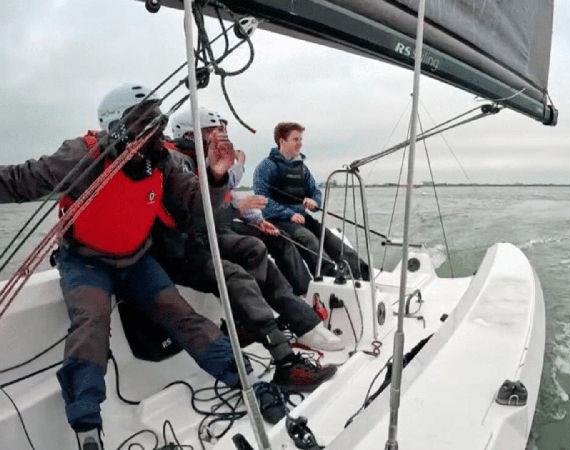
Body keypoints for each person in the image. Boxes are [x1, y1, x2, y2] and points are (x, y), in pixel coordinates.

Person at [0, 84, 283, 449]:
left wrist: (214, 176)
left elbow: (198, 208)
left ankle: (246, 382)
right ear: (118, 124)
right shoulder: (81, 155)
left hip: (136, 259)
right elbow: (20, 180)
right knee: (91, 322)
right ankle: (87, 426)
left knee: (182, 315)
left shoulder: (163, 161)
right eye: (148, 119)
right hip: (86, 262)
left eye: (158, 117)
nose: (159, 127)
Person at [162, 107, 343, 354]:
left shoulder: (202, 163)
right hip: (186, 242)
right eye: (211, 132)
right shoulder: (177, 163)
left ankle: (301, 313)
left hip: (212, 229)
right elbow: (194, 214)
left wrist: (256, 220)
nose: (219, 138)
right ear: (190, 134)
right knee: (250, 257)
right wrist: (241, 208)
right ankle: (269, 324)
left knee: (268, 242)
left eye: (221, 132)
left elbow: (227, 195)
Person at [253, 122, 370, 280]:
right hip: (277, 221)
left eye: (301, 139)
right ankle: (328, 275)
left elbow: (315, 191)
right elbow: (262, 200)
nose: (300, 143)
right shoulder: (266, 167)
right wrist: (288, 214)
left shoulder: (302, 168)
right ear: (282, 141)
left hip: (302, 218)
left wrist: (314, 201)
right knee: (309, 239)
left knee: (328, 238)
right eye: (295, 139)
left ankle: (362, 271)